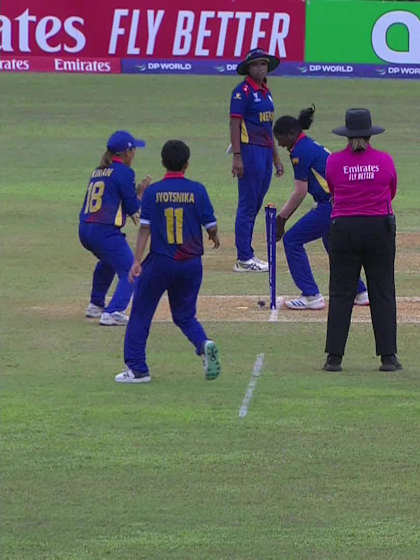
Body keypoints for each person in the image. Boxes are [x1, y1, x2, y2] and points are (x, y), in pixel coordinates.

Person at [115, 140, 221, 383]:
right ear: (187, 164)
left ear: (163, 162)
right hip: (192, 264)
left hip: (161, 262)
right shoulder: (198, 190)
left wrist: (136, 261)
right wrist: (213, 237)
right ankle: (203, 343)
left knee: (141, 313)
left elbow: (144, 229)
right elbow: (212, 226)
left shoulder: (153, 192)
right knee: (184, 315)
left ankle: (137, 369)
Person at [323, 108, 402, 372]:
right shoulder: (385, 160)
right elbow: (391, 191)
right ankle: (388, 357)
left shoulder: (333, 161)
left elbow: (333, 189)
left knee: (341, 293)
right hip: (378, 228)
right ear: (370, 134)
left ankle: (334, 357)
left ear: (347, 134)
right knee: (383, 292)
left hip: (344, 228)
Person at [273, 106, 368, 309]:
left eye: (279, 138)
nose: (279, 144)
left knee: (292, 240)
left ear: (291, 134)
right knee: (332, 245)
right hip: (341, 202)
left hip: (332, 205)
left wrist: (281, 219)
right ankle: (360, 292)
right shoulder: (305, 145)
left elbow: (300, 191)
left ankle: (311, 296)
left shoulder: (299, 151)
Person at [79, 130, 151, 326]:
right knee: (132, 270)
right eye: (133, 149)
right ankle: (113, 311)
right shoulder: (125, 172)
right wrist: (142, 195)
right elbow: (134, 211)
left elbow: (112, 201)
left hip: (85, 230)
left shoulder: (99, 170)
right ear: (126, 153)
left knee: (109, 260)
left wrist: (134, 194)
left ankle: (96, 304)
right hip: (104, 232)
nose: (135, 153)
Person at [230, 48, 284, 272]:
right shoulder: (242, 92)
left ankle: (247, 254)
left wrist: (276, 158)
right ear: (248, 68)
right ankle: (244, 257)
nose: (260, 68)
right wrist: (237, 156)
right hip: (249, 151)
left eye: (263, 64)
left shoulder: (265, 92)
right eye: (256, 65)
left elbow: (267, 128)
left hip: (264, 152)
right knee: (247, 205)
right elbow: (234, 124)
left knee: (255, 204)